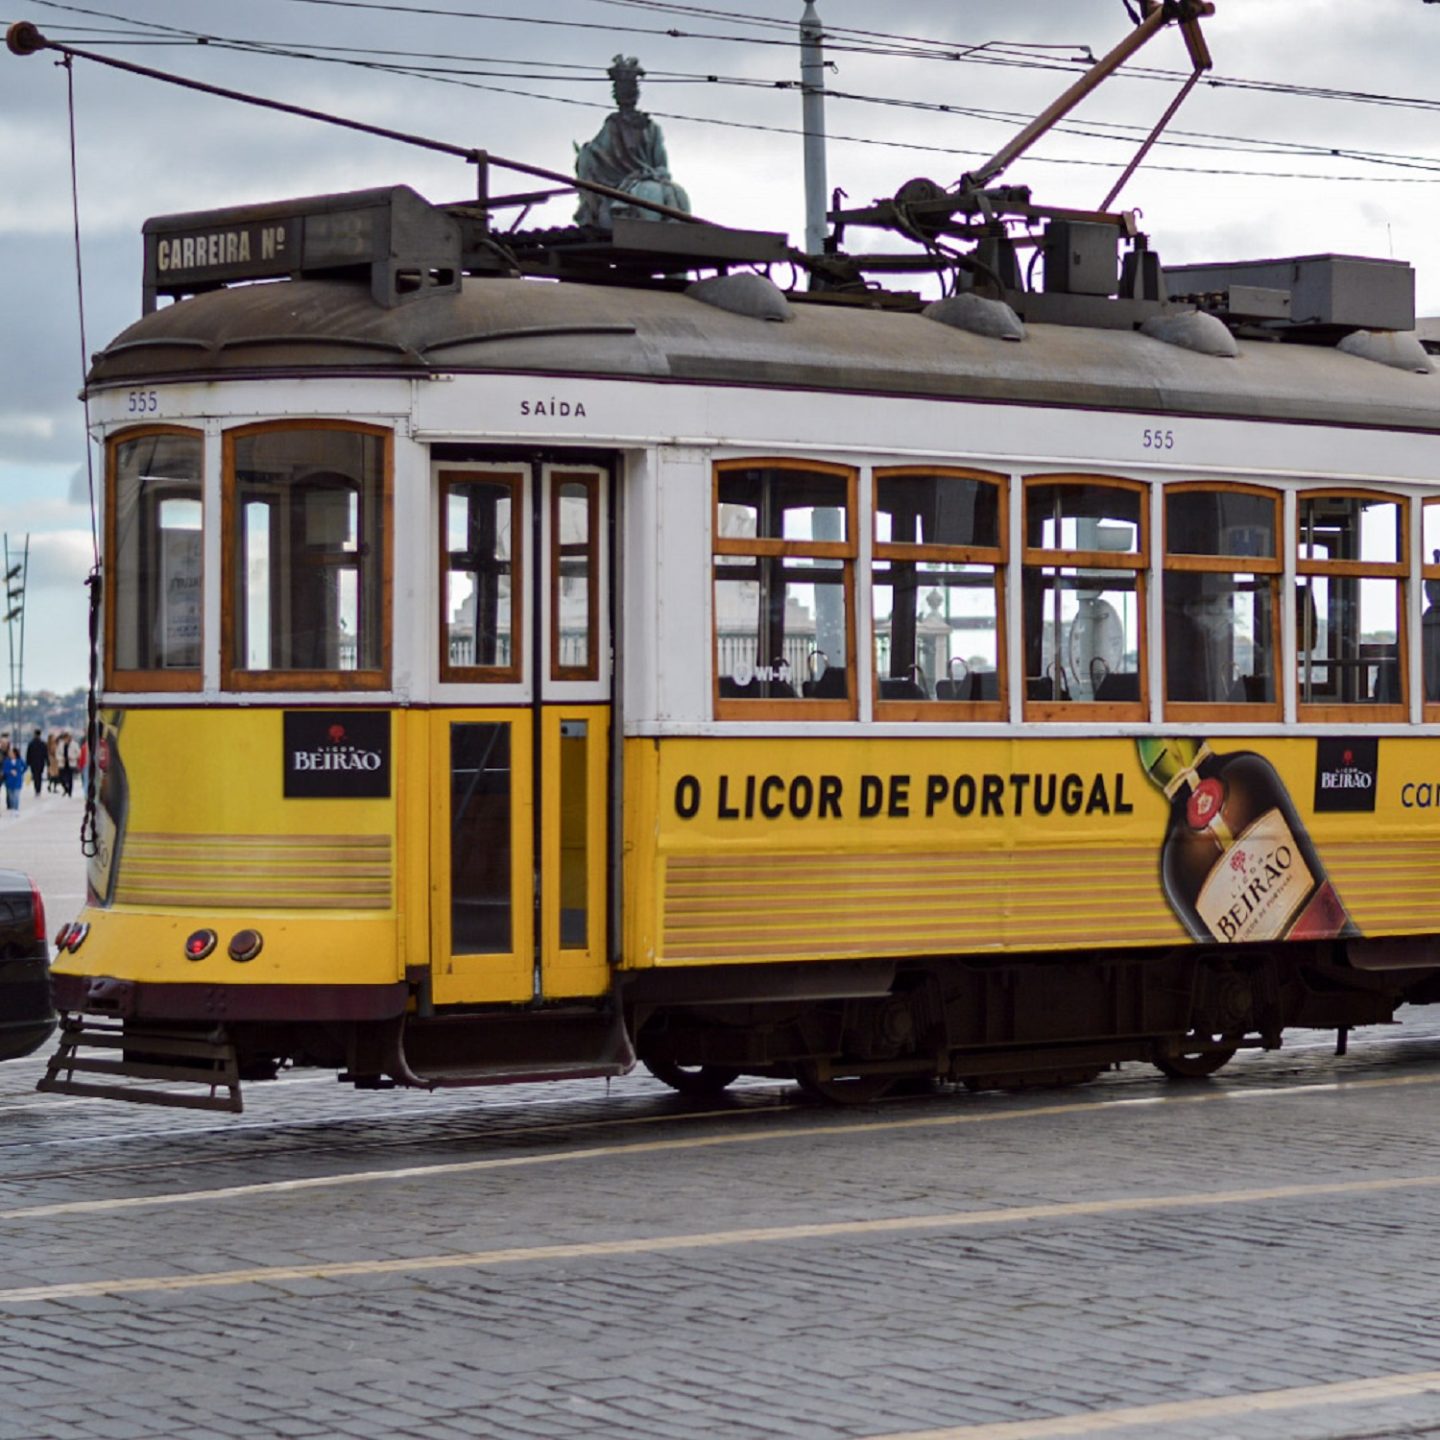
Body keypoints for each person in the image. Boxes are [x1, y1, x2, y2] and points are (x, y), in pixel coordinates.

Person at [574, 55, 691, 229]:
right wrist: (656, 173)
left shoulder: (613, 125)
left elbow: (597, 154)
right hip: (655, 176)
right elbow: (662, 165)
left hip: (625, 181)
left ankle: (592, 214)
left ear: (617, 95)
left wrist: (586, 152)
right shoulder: (653, 127)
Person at [1, 748, 24, 815]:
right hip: (9, 781)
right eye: (9, 753)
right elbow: (4, 770)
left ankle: (16, 809)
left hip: (17, 780)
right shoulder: (6, 761)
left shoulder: (19, 760)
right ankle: (12, 808)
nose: (10, 754)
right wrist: (10, 771)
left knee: (16, 795)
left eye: (11, 753)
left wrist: (20, 773)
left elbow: (25, 767)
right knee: (11, 796)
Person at [24, 729, 46, 797]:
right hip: (41, 762)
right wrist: (47, 762)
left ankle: (36, 789)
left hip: (33, 763)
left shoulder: (31, 744)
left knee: (35, 776)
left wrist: (27, 763)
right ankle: (38, 789)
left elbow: (28, 754)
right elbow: (45, 754)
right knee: (39, 776)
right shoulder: (43, 744)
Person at [57, 730, 78, 798]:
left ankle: (70, 792)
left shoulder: (74, 744)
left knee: (70, 778)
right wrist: (61, 758)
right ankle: (66, 788)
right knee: (61, 777)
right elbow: (57, 753)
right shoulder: (61, 744)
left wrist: (72, 757)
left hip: (71, 763)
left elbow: (78, 753)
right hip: (62, 763)